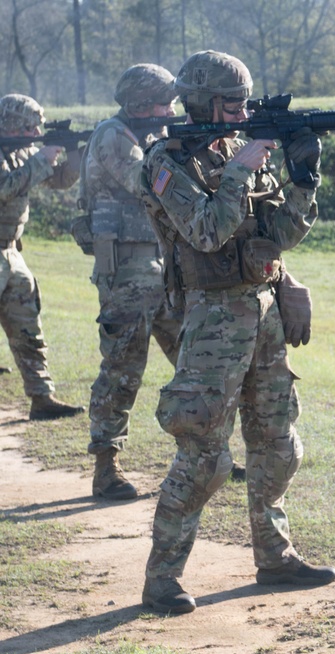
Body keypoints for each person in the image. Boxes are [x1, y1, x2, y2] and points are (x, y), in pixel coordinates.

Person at [139, 50, 335, 615]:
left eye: (247, 102)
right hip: (211, 322)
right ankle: (162, 579)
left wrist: (303, 180)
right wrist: (241, 170)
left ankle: (274, 557)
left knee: (278, 444)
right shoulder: (165, 161)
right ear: (201, 101)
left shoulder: (233, 149)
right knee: (204, 455)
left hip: (264, 313)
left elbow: (278, 232)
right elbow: (205, 231)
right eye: (234, 103)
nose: (243, 112)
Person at [79, 64, 185, 500]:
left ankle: (203, 451)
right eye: (165, 103)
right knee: (123, 369)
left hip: (162, 269)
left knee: (193, 361)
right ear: (142, 104)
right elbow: (146, 183)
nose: (172, 109)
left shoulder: (145, 133)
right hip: (126, 272)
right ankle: (107, 468)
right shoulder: (114, 136)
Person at [0, 94, 86, 421]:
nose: (36, 132)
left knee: (28, 327)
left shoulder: (21, 150)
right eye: (29, 126)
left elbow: (61, 180)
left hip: (11, 251)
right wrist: (42, 158)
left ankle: (41, 398)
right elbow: (5, 188)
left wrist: (72, 149)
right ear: (10, 124)